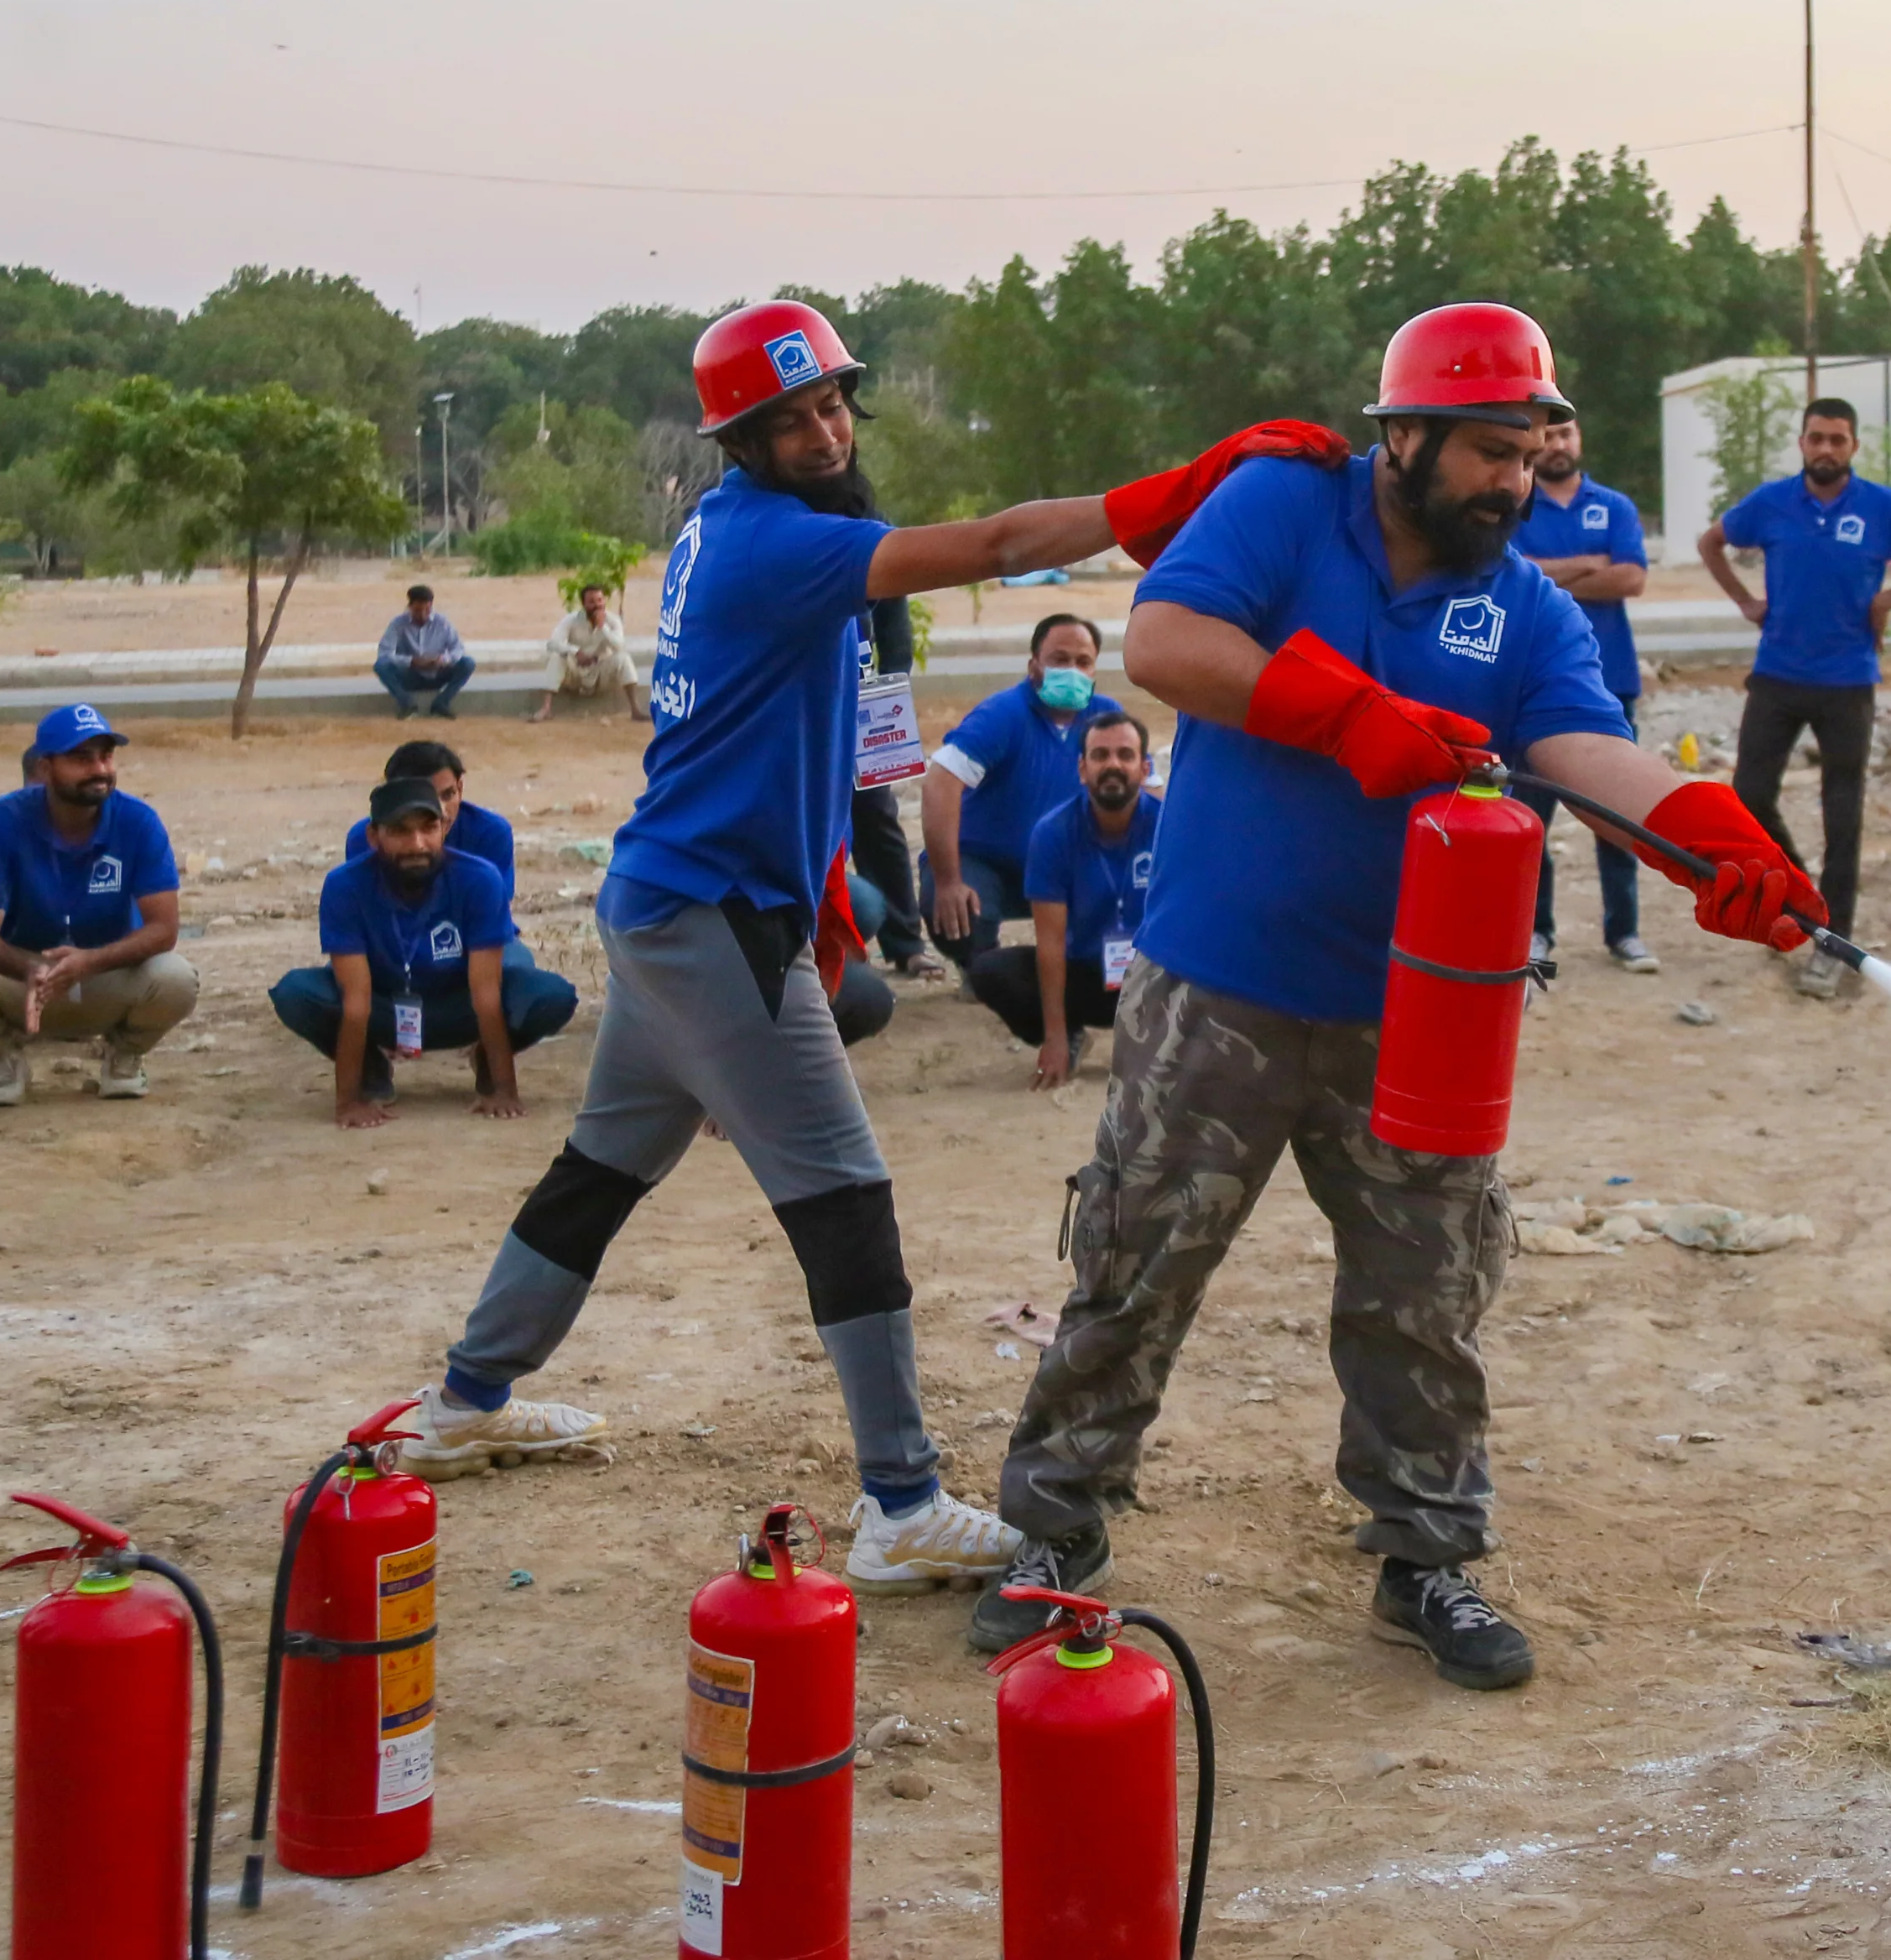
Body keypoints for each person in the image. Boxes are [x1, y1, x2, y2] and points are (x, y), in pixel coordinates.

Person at [383, 295, 1346, 1604]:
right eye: (795, 418)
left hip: (693, 903)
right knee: (844, 1198)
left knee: (599, 1172)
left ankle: (465, 1399)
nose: (827, 430)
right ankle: (899, 1500)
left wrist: (823, 876)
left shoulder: (751, 529)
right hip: (710, 919)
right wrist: (1180, 487)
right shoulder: (781, 543)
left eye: (836, 403)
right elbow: (1001, 542)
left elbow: (805, 731)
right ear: (745, 439)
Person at [970, 301, 1830, 1686]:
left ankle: (1427, 1557)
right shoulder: (1282, 504)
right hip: (1220, 988)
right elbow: (1166, 638)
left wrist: (1705, 833)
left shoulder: (1530, 601)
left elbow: (1578, 749)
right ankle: (1055, 1529)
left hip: (1421, 1014)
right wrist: (1350, 712)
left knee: (1423, 1292)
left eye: (1530, 452)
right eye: (1489, 450)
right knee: (1135, 1260)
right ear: (1408, 436)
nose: (1514, 480)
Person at [1695, 394, 1891, 998]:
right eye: (1816, 438)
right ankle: (1799, 898)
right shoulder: (1771, 503)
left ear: (1853, 446)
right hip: (1778, 676)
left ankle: (1834, 945)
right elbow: (1712, 543)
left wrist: (1889, 600)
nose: (1826, 449)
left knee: (1843, 818)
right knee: (1749, 796)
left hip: (1847, 684)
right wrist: (1745, 601)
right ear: (1802, 443)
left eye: (1837, 440)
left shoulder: (1882, 508)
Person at [273, 776, 580, 1127]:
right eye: (400, 831)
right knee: (296, 992)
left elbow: (486, 994)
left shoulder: (479, 879)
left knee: (551, 995)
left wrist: (504, 1089)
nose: (417, 844)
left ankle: (485, 1060)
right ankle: (370, 1069)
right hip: (383, 1008)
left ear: (444, 828)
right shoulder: (345, 886)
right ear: (374, 838)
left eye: (428, 828)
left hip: (460, 1008)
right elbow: (356, 1001)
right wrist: (347, 1102)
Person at [0, 703, 201, 1104]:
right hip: (21, 980)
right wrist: (28, 967)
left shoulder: (139, 822)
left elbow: (164, 929)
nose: (99, 769)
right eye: (81, 759)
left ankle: (124, 1056)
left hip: (105, 977)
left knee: (177, 978)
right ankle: (3, 1057)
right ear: (45, 769)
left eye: (106, 756)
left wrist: (88, 962)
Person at [1507, 414, 1657, 973]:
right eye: (1551, 435)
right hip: (1532, 685)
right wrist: (1586, 564)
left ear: (1580, 441)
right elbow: (1506, 572)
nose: (1559, 444)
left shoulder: (1613, 506)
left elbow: (1631, 579)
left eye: (1569, 434)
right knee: (1529, 820)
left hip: (1610, 683)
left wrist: (1543, 575)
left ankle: (1625, 932)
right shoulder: (1516, 500)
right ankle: (1536, 932)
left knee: (1616, 813)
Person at [965, 710, 1158, 1086]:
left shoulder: (1169, 828)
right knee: (989, 972)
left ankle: (1164, 1039)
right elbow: (1050, 942)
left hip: (1151, 978)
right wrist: (1052, 1038)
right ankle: (1071, 1036)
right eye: (1100, 756)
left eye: (1125, 755)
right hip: (1084, 974)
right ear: (1082, 769)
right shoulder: (1052, 833)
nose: (1113, 765)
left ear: (1144, 767)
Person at [920, 613, 1123, 968]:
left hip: (1064, 861)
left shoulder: (1107, 719)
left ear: (1095, 671)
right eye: (1060, 660)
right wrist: (948, 880)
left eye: (1083, 662)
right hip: (986, 862)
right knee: (964, 922)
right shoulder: (1002, 715)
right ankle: (980, 965)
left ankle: (1078, 966)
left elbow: (1147, 792)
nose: (1072, 671)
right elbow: (941, 781)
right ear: (1034, 666)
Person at [851, 593, 946, 983]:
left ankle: (906, 944)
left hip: (859, 705)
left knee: (875, 816)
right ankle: (815, 945)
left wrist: (890, 692)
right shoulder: (781, 534)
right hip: (790, 704)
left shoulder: (867, 532)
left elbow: (894, 625)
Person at [341, 738, 520, 891]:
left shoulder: (490, 832)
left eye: (448, 795)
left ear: (460, 789)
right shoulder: (363, 838)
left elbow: (493, 910)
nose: (441, 810)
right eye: (426, 799)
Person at [534, 583, 649, 722]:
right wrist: (576, 652)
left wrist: (603, 628)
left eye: (600, 600)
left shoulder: (613, 621)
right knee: (557, 657)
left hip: (600, 674)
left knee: (623, 658)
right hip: (576, 672)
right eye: (592, 602)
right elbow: (552, 643)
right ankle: (546, 709)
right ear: (584, 604)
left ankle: (635, 710)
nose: (597, 605)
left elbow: (619, 646)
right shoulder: (571, 619)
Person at [376, 584, 476, 718]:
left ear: (431, 606)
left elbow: (458, 648)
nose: (423, 615)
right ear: (410, 607)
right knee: (381, 666)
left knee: (468, 663)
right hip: (411, 675)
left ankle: (441, 703)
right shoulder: (398, 624)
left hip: (438, 672)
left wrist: (443, 660)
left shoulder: (442, 623)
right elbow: (385, 653)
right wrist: (411, 661)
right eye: (418, 610)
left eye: (427, 610)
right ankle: (407, 704)